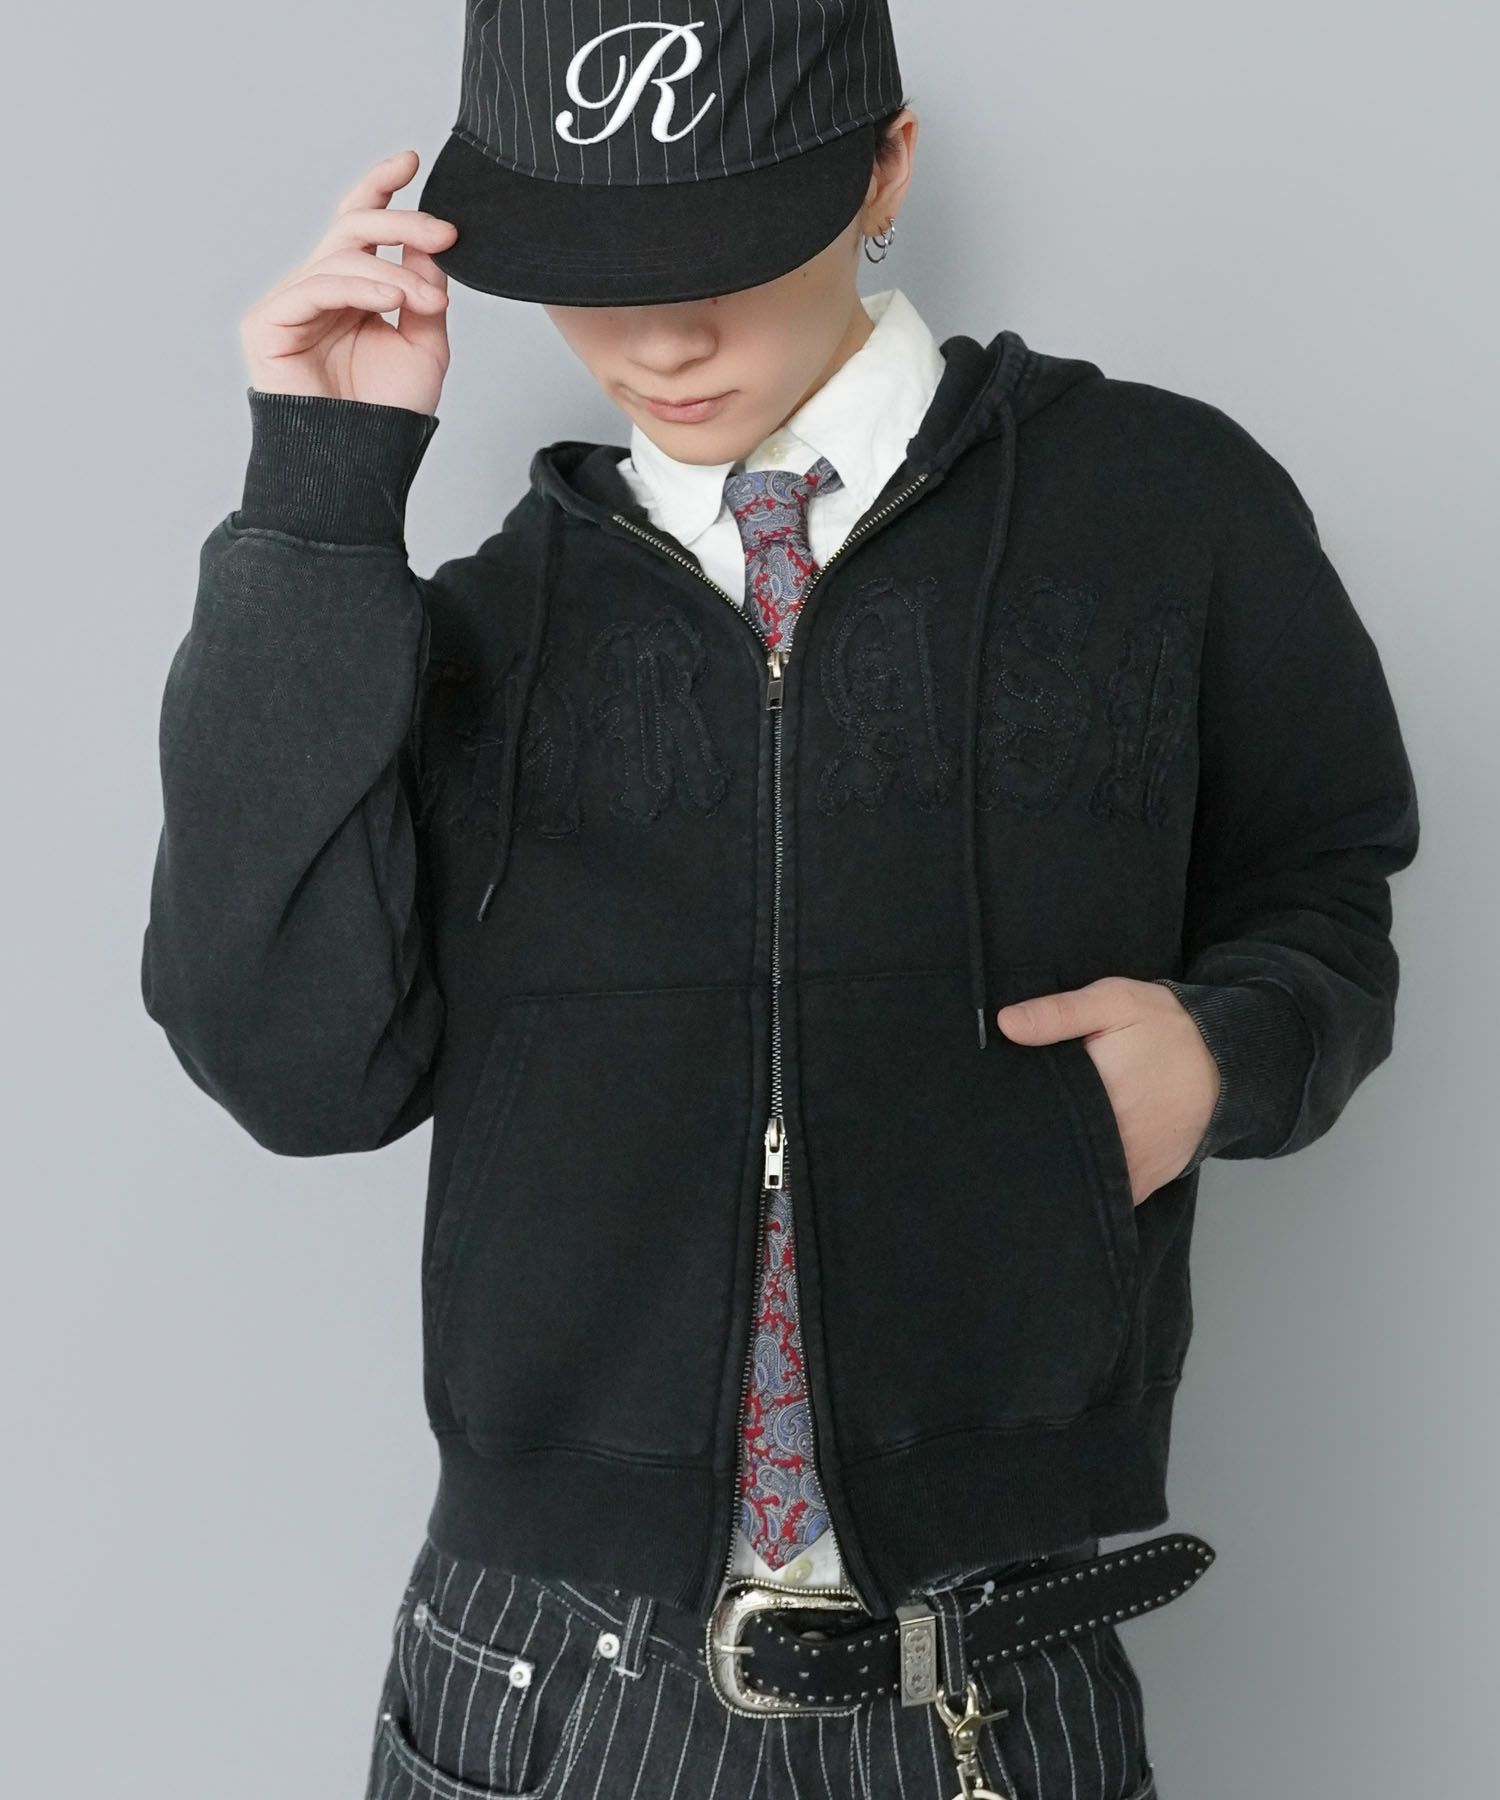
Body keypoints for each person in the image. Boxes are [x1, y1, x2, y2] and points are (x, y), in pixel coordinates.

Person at [139, 5, 1419, 1795]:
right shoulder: (475, 629)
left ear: (885, 169)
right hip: (547, 1690)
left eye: (723, 258)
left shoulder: (1166, 510)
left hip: (992, 1681)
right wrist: (319, 495)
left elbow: (1326, 883)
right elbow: (295, 1066)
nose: (660, 339)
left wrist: (1227, 1052)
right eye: (595, 272)